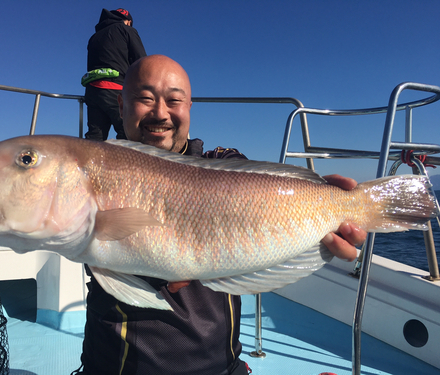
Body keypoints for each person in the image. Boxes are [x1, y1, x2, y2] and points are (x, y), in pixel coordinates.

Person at [74, 55, 365, 375]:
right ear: (121, 103)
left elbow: (258, 193)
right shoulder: (95, 171)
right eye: (145, 98)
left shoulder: (223, 161)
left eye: (174, 100)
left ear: (188, 107)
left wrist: (330, 214)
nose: (159, 113)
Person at [82, 8, 146, 141]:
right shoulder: (127, 30)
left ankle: (88, 162)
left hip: (92, 92)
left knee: (95, 138)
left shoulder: (94, 37)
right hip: (115, 89)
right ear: (128, 21)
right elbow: (141, 61)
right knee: (129, 135)